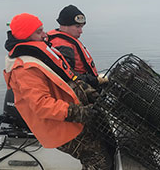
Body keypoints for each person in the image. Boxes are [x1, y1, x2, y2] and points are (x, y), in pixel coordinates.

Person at [4, 13, 115, 170]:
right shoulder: (24, 69)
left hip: (73, 117)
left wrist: (88, 91)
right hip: (60, 126)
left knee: (106, 145)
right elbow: (41, 105)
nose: (44, 35)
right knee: (98, 160)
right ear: (25, 35)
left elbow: (67, 78)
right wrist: (80, 112)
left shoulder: (39, 53)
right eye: (39, 32)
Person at [47, 5, 107, 88]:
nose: (81, 31)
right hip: (79, 89)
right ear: (65, 25)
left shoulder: (65, 39)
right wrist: (95, 81)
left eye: (81, 27)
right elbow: (67, 74)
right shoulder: (63, 46)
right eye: (77, 27)